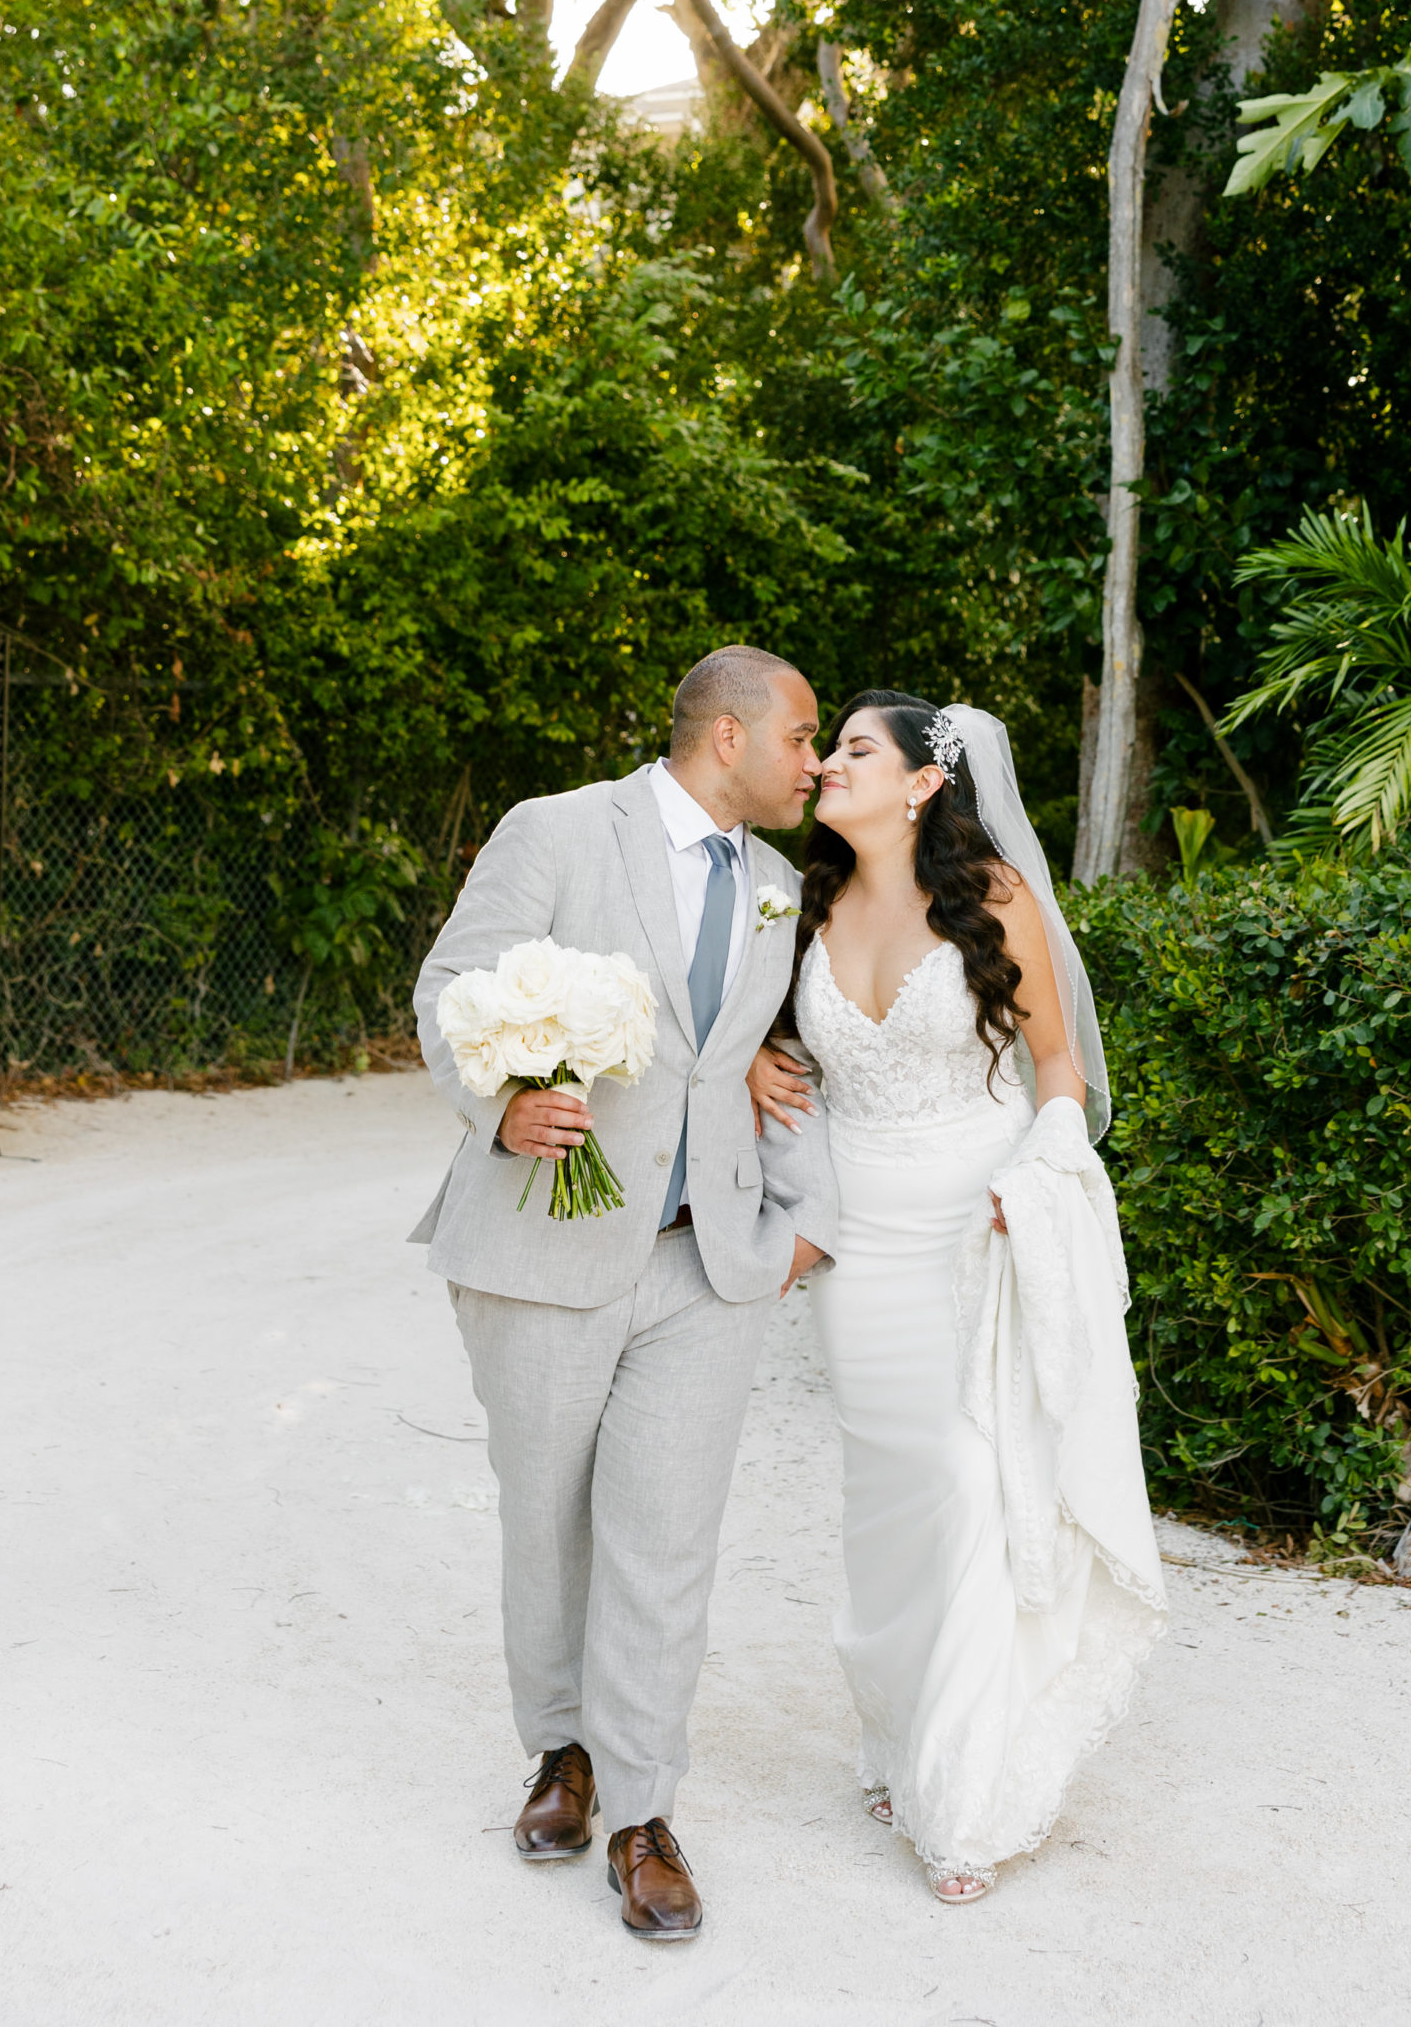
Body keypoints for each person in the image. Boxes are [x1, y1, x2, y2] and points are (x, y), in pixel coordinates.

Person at [412, 646, 838, 1944]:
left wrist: (788, 1175)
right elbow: (449, 992)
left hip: (705, 1265)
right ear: (725, 735)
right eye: (802, 737)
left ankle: (645, 1815)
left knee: (665, 1541)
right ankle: (561, 1757)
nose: (813, 762)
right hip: (544, 1246)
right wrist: (503, 1103)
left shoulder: (778, 887)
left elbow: (753, 1048)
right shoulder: (553, 832)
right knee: (547, 1521)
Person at [749, 692, 1165, 1903]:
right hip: (858, 1239)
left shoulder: (991, 896)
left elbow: (1056, 1069)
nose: (827, 763)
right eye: (829, 751)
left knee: (966, 1482)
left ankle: (967, 1795)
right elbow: (777, 1046)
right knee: (886, 1496)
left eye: (855, 750)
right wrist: (761, 1058)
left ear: (922, 781)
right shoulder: (807, 903)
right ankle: (891, 1733)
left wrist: (1038, 1170)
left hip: (973, 1226)